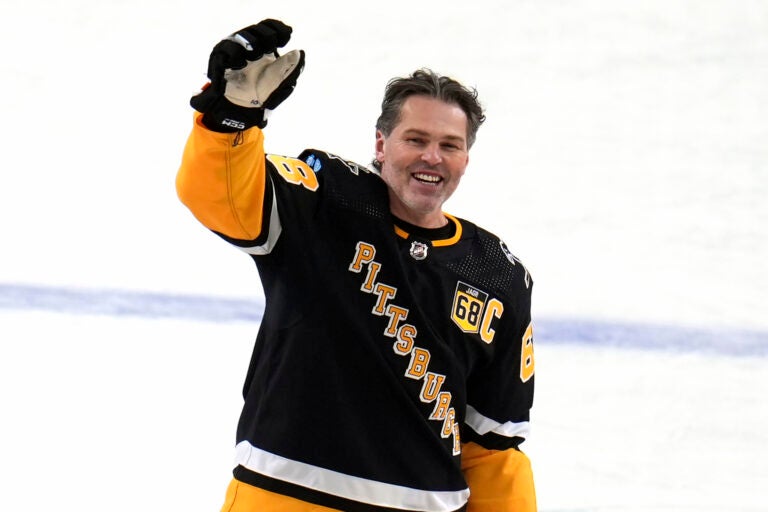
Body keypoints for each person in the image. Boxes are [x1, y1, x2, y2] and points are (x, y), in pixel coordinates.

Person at [177, 19, 536, 512]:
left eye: (450, 145)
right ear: (382, 144)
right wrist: (233, 117)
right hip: (286, 496)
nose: (432, 157)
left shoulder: (498, 275)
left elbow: (493, 450)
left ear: (466, 159)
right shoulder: (324, 201)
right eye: (415, 139)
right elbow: (221, 199)